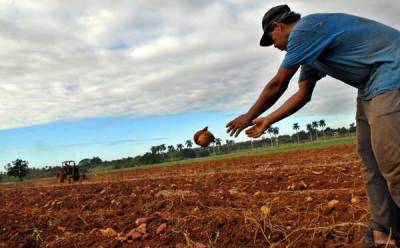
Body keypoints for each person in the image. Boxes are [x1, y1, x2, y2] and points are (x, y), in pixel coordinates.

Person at [226, 4, 400, 247]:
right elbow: (302, 94)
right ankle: (385, 232)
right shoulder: (311, 52)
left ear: (278, 26)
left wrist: (248, 115)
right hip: (369, 87)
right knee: (370, 161)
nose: (275, 46)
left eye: (271, 39)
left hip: (392, 73)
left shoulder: (305, 30)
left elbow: (278, 83)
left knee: (393, 162)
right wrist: (267, 120)